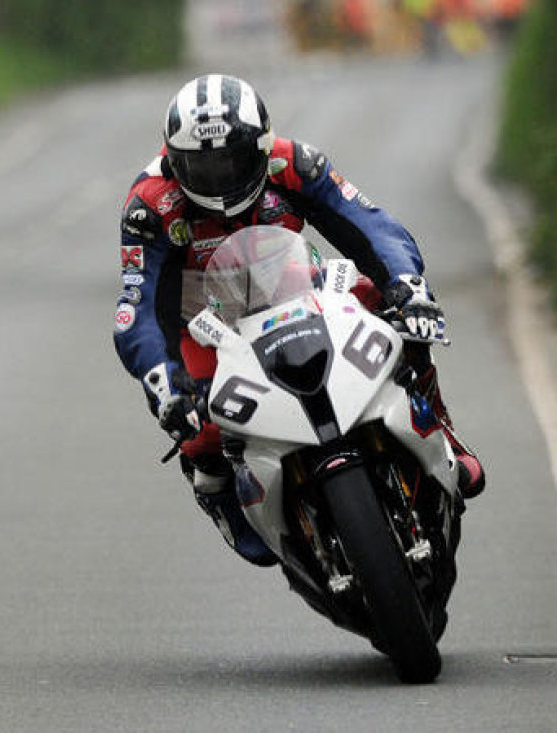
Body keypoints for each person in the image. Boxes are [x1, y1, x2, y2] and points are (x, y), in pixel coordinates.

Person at [113, 74, 484, 567]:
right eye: (201, 165)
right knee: (200, 428)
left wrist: (406, 284)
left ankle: (439, 427)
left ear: (261, 146)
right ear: (171, 159)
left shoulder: (295, 163)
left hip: (297, 283)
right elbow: (134, 310)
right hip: (205, 320)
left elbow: (369, 223)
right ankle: (219, 493)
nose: (220, 177)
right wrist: (165, 384)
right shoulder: (149, 207)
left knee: (399, 322)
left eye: (231, 159)